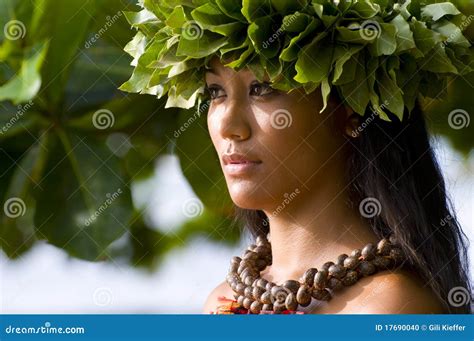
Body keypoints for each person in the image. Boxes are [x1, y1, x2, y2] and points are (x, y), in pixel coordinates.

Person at [120, 0, 473, 314]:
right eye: (216, 92)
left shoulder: (390, 308)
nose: (228, 124)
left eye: (263, 89)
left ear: (351, 109)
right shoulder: (221, 302)